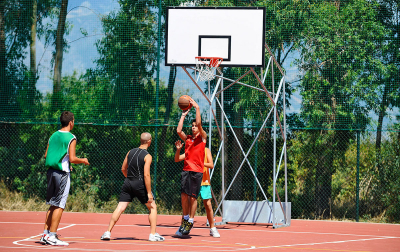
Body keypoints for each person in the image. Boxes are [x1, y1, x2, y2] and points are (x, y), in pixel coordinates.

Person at [100, 132, 164, 242]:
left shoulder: (130, 152)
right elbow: (146, 175)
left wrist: (130, 179)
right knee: (153, 207)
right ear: (149, 141)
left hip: (128, 182)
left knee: (120, 208)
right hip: (139, 184)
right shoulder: (148, 156)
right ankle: (153, 234)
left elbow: (123, 169)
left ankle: (107, 232)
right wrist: (149, 192)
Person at [40, 111, 90, 246]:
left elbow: (47, 155)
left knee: (52, 203)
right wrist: (83, 160)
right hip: (62, 175)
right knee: (60, 205)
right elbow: (73, 158)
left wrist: (65, 162)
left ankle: (45, 234)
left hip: (51, 172)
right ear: (71, 122)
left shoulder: (53, 135)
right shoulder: (71, 137)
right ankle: (52, 236)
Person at [175, 141, 221, 238]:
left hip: (204, 182)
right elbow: (177, 159)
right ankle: (183, 226)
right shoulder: (190, 151)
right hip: (192, 181)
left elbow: (211, 165)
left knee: (208, 205)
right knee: (187, 204)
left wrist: (199, 162)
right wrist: (178, 150)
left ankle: (212, 228)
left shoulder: (206, 150)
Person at [175, 98, 206, 236]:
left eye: (195, 126)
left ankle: (191, 220)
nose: (194, 127)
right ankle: (185, 218)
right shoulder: (187, 139)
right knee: (183, 195)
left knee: (193, 197)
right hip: (186, 170)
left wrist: (197, 108)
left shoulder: (203, 138)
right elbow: (178, 130)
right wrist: (183, 115)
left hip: (197, 171)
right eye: (192, 126)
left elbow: (199, 123)